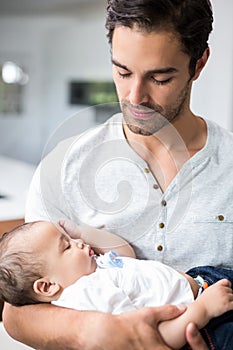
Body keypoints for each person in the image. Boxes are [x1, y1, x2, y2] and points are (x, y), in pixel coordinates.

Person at [3, 0, 233, 349]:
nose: (134, 97)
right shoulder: (63, 165)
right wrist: (93, 331)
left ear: (198, 63)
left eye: (160, 77)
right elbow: (17, 314)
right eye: (123, 72)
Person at [1, 221, 233, 350]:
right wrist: (202, 310)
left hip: (205, 281)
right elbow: (146, 337)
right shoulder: (88, 295)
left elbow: (125, 254)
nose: (79, 243)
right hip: (203, 324)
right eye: (67, 246)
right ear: (47, 286)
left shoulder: (91, 268)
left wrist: (82, 232)